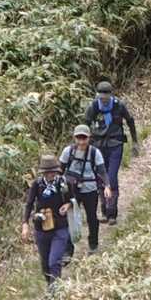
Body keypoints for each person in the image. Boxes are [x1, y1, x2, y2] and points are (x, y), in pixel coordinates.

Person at [87, 79, 138, 224]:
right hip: (98, 146)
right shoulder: (93, 106)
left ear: (111, 94)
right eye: (101, 96)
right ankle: (104, 210)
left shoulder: (118, 105)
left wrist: (135, 142)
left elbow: (130, 121)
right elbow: (85, 125)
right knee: (100, 177)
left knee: (112, 177)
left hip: (115, 144)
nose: (103, 99)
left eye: (106, 96)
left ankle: (112, 212)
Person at [22, 154, 74, 287]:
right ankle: (51, 285)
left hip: (60, 227)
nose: (50, 174)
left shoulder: (64, 183)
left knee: (54, 262)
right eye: (47, 172)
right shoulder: (37, 184)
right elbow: (29, 204)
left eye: (53, 171)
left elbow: (74, 199)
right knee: (45, 264)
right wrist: (25, 224)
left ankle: (54, 292)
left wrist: (68, 205)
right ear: (43, 173)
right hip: (41, 228)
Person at [60, 124, 110, 253]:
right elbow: (60, 170)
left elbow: (102, 171)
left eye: (84, 138)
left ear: (89, 138)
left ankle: (93, 245)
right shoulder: (68, 151)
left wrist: (107, 186)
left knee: (92, 218)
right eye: (79, 138)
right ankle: (68, 250)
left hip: (90, 190)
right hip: (71, 190)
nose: (81, 141)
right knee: (69, 219)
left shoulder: (95, 153)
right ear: (74, 138)